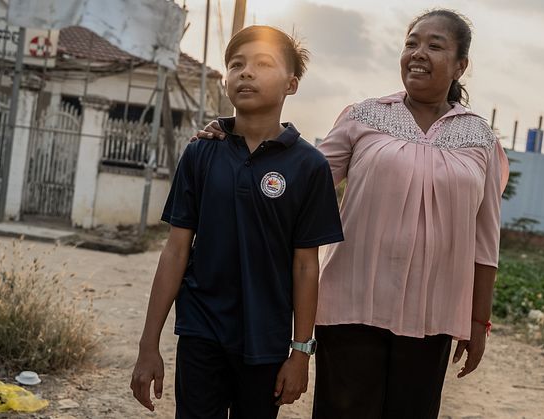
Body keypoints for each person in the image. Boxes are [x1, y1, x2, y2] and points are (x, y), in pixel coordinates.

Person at [196, 9, 508, 419]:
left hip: (432, 316)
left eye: (434, 46)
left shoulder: (480, 138)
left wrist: (478, 321)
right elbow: (301, 177)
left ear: (460, 65)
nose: (418, 53)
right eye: (411, 43)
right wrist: (238, 137)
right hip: (351, 306)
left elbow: (485, 242)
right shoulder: (365, 116)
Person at [131, 25, 344, 419]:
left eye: (263, 64)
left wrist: (301, 351)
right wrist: (149, 344)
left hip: (265, 339)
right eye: (236, 64)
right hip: (200, 330)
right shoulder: (201, 153)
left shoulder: (308, 166)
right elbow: (176, 250)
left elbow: (305, 265)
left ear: (291, 84)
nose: (246, 72)